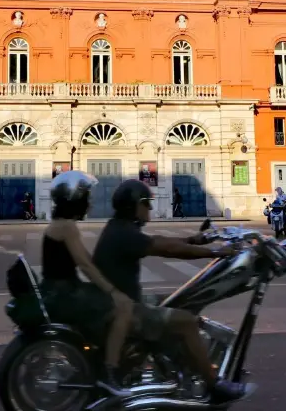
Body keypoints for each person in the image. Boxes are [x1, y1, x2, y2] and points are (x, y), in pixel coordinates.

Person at [92, 179, 256, 404]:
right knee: (186, 321)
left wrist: (194, 239)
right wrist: (213, 252)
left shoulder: (119, 228)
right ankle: (214, 384)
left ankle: (178, 364)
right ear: (134, 205)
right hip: (122, 310)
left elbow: (159, 241)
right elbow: (165, 248)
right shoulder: (124, 234)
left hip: (119, 302)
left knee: (178, 301)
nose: (150, 208)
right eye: (146, 203)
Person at [39, 171, 135, 396]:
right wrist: (113, 291)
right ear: (74, 199)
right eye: (86, 197)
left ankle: (96, 360)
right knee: (124, 308)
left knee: (107, 303)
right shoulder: (67, 228)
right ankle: (110, 374)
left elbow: (87, 261)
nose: (90, 202)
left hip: (58, 291)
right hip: (64, 295)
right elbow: (85, 266)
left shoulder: (61, 224)